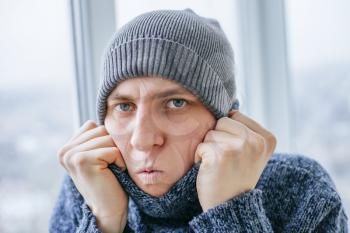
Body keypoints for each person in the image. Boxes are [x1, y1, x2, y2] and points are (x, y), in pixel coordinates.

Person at [49, 8, 348, 233]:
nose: (141, 139)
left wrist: (231, 213)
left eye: (175, 103)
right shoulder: (87, 186)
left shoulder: (300, 189)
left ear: (224, 118)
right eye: (124, 106)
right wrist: (102, 220)